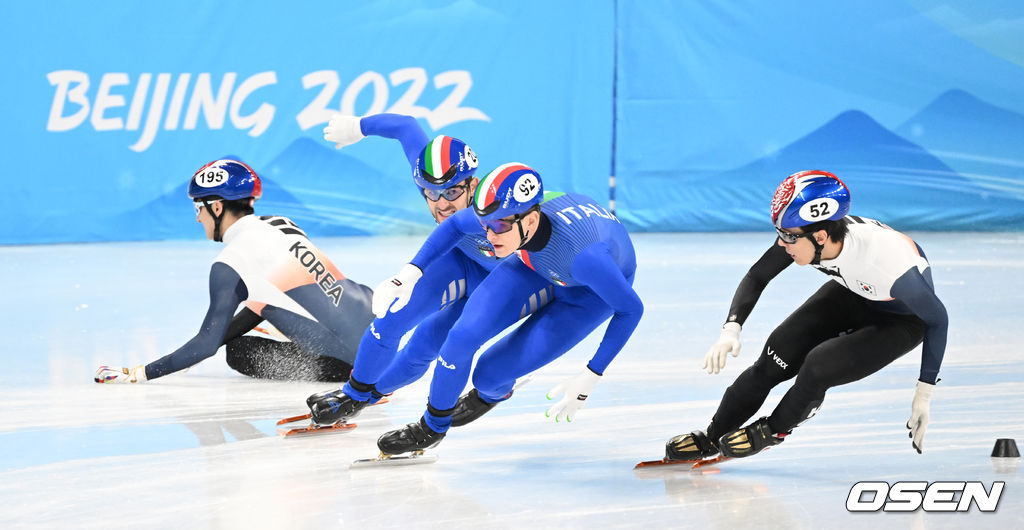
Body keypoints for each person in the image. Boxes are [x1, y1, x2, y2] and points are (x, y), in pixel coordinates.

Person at [665, 170, 948, 462]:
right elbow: (758, 275)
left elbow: (938, 319)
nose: (782, 244)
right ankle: (713, 435)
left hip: (902, 321)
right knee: (777, 352)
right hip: (854, 293)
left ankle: (773, 430)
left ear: (821, 236)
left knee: (818, 365)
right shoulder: (807, 236)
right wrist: (731, 329)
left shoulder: (890, 267)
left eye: (788, 237)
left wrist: (923, 393)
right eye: (780, 234)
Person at [371, 163, 644, 456]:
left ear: (531, 220)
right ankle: (432, 428)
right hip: (535, 262)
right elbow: (454, 225)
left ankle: (492, 395)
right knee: (460, 338)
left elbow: (631, 310)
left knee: (488, 377)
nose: (490, 236)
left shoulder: (587, 258)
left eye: (500, 227)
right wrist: (409, 273)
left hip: (588, 294)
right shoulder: (507, 216)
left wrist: (592, 373)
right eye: (484, 225)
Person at [308, 115, 555, 422]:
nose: (442, 204)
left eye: (452, 193)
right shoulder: (432, 177)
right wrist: (358, 127)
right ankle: (355, 395)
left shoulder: (503, 210)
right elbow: (405, 127)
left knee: (424, 346)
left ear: (473, 185)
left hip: (501, 282)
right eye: (431, 194)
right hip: (460, 260)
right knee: (390, 320)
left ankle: (491, 393)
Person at [94, 159, 375, 384]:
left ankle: (344, 370)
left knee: (239, 352)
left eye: (198, 207)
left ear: (216, 207)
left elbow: (207, 344)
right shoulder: (281, 223)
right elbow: (260, 305)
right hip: (380, 330)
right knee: (274, 308)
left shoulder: (230, 264)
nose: (198, 218)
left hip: (352, 365)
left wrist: (141, 373)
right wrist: (187, 356)